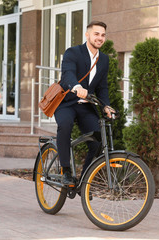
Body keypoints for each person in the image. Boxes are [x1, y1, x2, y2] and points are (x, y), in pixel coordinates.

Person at [54, 21, 115, 185]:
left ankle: (84, 181)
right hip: (66, 103)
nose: (100, 38)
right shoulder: (73, 52)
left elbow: (102, 87)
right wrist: (77, 86)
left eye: (103, 35)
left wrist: (106, 105)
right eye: (96, 34)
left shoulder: (104, 60)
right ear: (87, 35)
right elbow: (67, 74)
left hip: (85, 106)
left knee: (97, 140)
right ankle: (66, 171)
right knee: (65, 125)